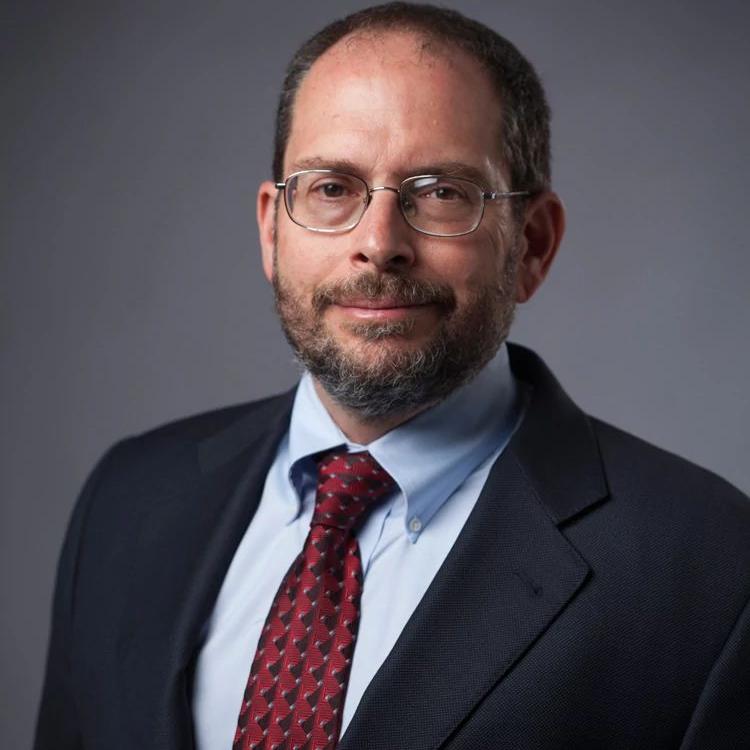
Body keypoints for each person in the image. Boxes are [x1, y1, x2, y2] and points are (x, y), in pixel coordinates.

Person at [34, 3, 750, 749]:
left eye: (441, 192)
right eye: (332, 189)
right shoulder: (125, 503)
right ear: (271, 230)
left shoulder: (711, 572)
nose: (379, 244)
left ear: (531, 244)